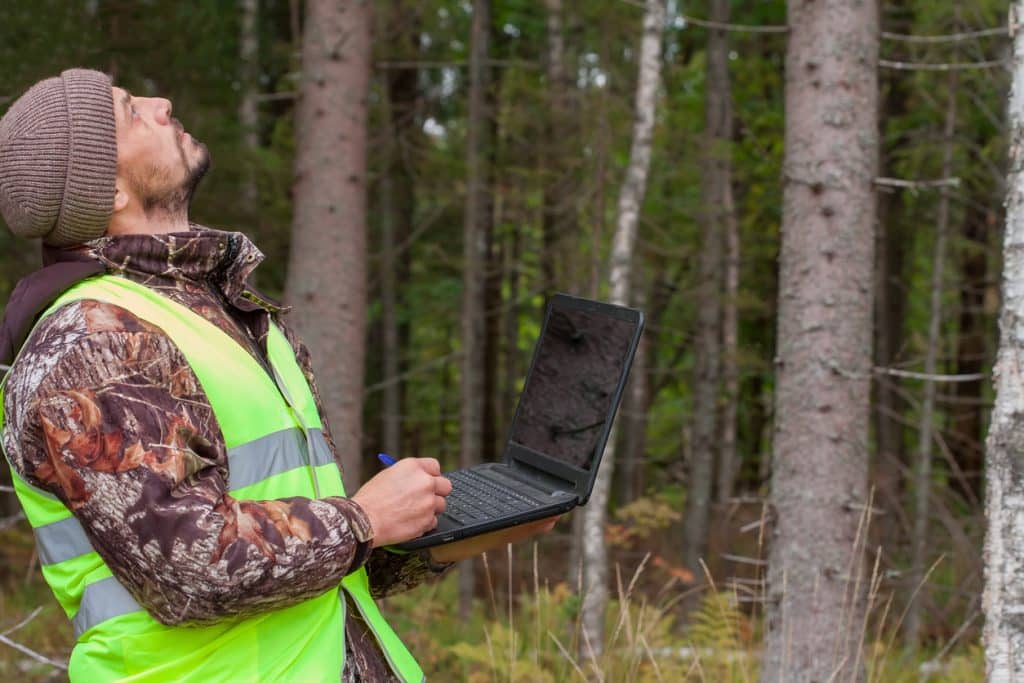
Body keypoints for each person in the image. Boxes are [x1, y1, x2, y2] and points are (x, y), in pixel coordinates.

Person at [0, 68, 555, 682]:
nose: (162, 104)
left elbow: (304, 569)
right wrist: (362, 519)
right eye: (131, 112)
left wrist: (443, 533)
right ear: (105, 191)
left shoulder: (229, 316)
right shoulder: (91, 342)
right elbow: (187, 574)